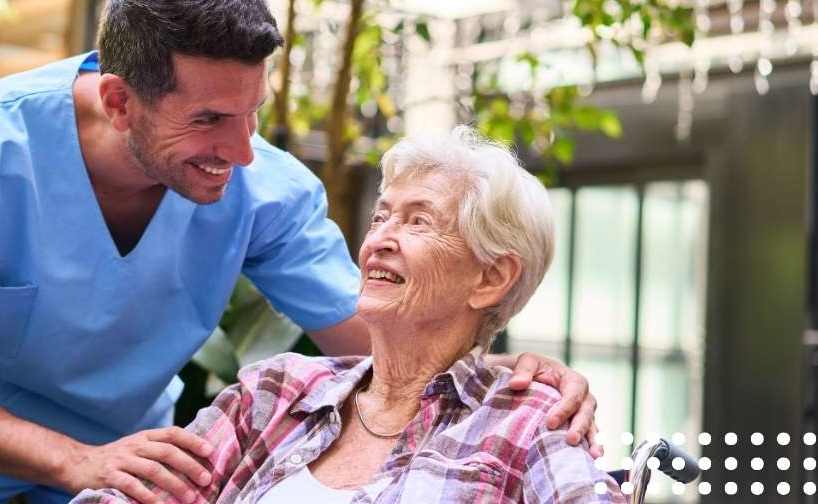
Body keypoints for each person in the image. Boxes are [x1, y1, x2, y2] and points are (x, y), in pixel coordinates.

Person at [0, 0, 601, 504]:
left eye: (252, 114)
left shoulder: (263, 187)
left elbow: (388, 338)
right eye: (210, 119)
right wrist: (76, 461)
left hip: (129, 453)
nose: (242, 151)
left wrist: (525, 379)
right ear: (120, 103)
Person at [72, 127, 621, 504]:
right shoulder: (277, 393)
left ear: (490, 278)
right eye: (381, 217)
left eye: (417, 222)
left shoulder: (529, 422)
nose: (380, 239)